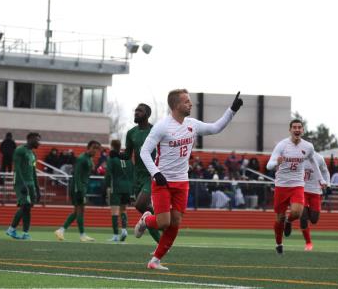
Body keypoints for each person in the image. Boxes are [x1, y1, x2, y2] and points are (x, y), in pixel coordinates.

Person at [135, 89, 243, 270]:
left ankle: (155, 260)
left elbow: (216, 127)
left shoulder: (192, 124)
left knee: (175, 221)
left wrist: (232, 110)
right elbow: (144, 151)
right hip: (162, 182)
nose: (190, 104)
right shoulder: (162, 126)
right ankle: (146, 220)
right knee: (163, 222)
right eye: (186, 101)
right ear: (176, 105)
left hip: (182, 182)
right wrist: (156, 173)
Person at [266, 119, 326, 255]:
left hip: (298, 184)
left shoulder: (308, 146)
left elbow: (313, 162)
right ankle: (279, 243)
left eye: (299, 127)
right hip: (281, 185)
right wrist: (276, 161)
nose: (297, 129)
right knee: (279, 218)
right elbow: (268, 165)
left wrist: (320, 179)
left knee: (297, 212)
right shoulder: (282, 145)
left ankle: (289, 221)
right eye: (294, 127)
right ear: (290, 130)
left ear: (303, 130)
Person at [118, 103, 161, 244]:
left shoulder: (156, 131)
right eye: (135, 110)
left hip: (151, 175)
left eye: (139, 111)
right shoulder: (131, 133)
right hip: (137, 176)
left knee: (138, 205)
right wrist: (116, 154)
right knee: (145, 210)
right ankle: (162, 243)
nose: (136, 113)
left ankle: (156, 222)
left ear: (147, 114)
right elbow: (127, 155)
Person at [54, 140, 101, 242]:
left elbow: (87, 172)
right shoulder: (82, 158)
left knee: (77, 211)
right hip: (77, 188)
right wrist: (79, 190)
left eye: (97, 149)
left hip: (82, 187)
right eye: (94, 148)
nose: (95, 150)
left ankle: (61, 230)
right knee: (80, 210)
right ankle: (82, 235)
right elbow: (77, 175)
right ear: (88, 147)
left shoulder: (88, 159)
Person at [5, 132, 41, 240]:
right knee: (25, 205)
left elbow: (34, 172)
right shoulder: (20, 150)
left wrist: (38, 189)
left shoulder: (33, 154)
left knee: (28, 207)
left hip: (31, 183)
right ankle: (11, 229)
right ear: (30, 139)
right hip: (21, 182)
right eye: (37, 140)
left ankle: (25, 233)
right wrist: (23, 184)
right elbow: (17, 168)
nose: (39, 142)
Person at [300, 153, 331, 251]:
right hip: (302, 190)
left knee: (314, 220)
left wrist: (328, 183)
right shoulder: (298, 156)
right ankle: (308, 242)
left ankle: (301, 211)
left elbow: (325, 171)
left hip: (316, 191)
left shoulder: (319, 158)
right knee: (303, 217)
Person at [104, 139, 133, 242]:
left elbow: (108, 174)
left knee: (115, 212)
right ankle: (124, 230)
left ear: (112, 146)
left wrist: (106, 187)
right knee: (124, 210)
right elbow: (132, 173)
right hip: (127, 187)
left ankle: (116, 235)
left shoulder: (111, 158)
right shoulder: (127, 158)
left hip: (116, 187)